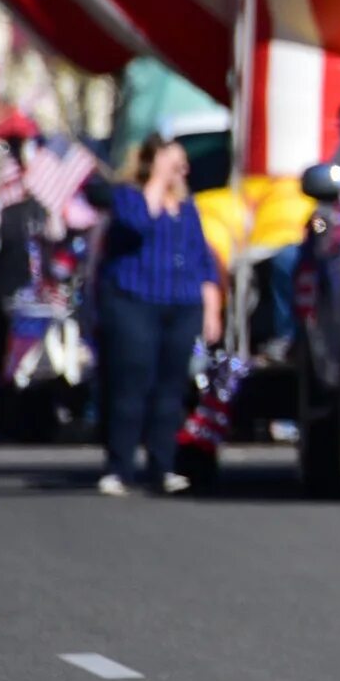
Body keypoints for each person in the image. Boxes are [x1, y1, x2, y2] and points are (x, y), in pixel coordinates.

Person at [93, 135, 223, 497]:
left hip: (181, 304)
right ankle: (119, 467)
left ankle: (162, 467)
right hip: (134, 300)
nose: (180, 171)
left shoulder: (188, 208)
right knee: (132, 383)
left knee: (171, 389)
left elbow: (202, 259)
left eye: (182, 166)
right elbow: (140, 225)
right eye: (173, 163)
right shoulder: (130, 198)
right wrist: (156, 179)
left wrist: (211, 307)